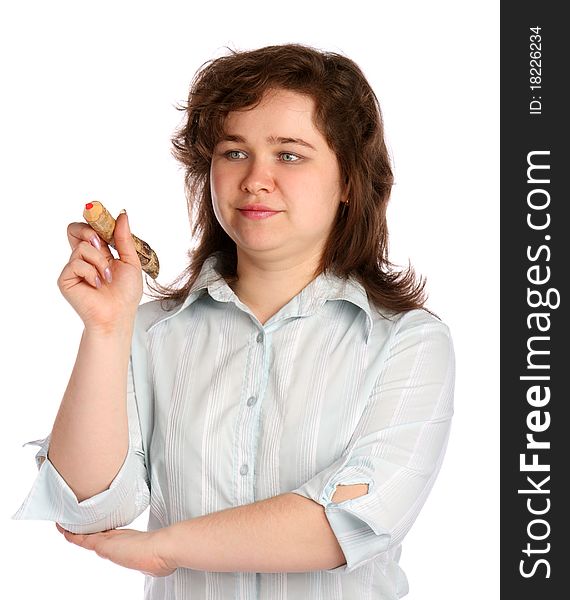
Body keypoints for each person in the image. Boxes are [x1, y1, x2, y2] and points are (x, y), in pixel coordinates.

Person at [14, 43, 455, 599]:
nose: (255, 179)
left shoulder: (407, 342)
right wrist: (106, 329)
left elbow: (348, 523)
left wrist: (165, 546)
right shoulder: (150, 333)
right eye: (233, 152)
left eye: (289, 154)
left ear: (349, 182)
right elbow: (87, 505)